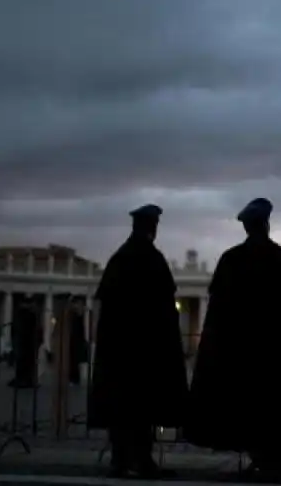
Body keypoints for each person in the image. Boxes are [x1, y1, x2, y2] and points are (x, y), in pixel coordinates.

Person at [184, 198, 281, 477]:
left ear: (246, 227)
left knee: (248, 409)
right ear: (266, 225)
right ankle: (279, 460)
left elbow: (218, 310)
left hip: (241, 353)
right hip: (278, 353)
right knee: (277, 408)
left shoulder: (231, 260)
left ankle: (259, 458)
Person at [88, 204, 188, 479]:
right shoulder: (152, 259)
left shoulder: (120, 258)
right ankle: (143, 460)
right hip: (146, 352)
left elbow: (106, 305)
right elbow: (165, 309)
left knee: (121, 405)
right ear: (152, 228)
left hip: (119, 352)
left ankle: (119, 461)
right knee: (143, 407)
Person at [8, 296, 41, 388]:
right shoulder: (30, 315)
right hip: (27, 343)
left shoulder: (21, 314)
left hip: (24, 342)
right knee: (27, 362)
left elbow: (16, 329)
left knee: (23, 362)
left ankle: (24, 379)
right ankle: (27, 379)